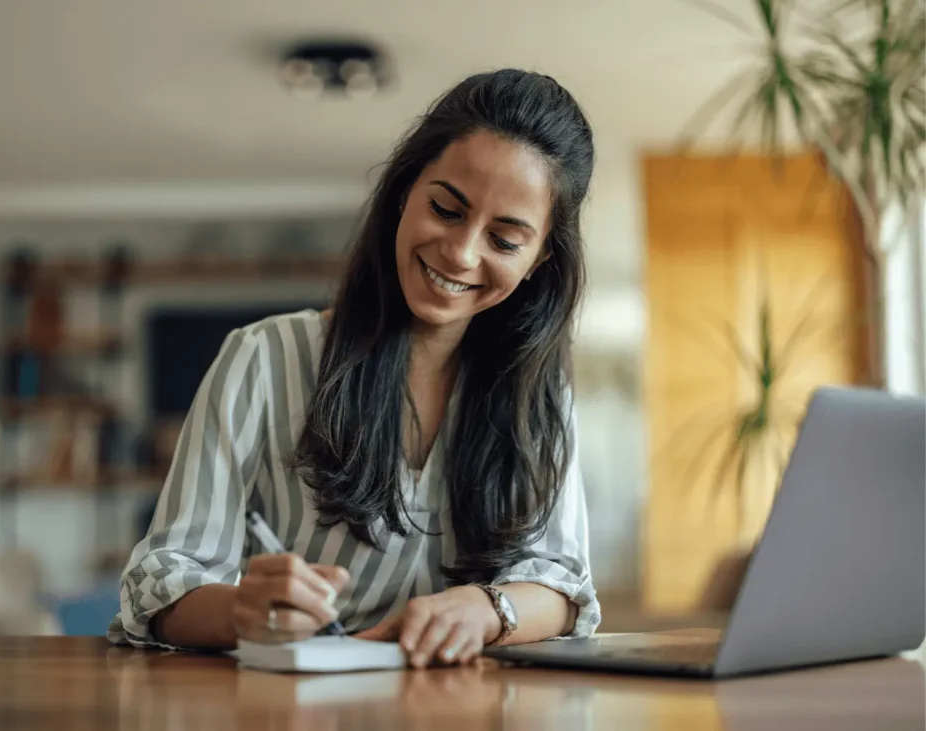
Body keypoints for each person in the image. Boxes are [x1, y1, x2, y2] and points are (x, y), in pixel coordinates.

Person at [109, 68, 601, 667]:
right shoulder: (262, 358)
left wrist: (487, 609)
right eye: (446, 209)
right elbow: (157, 581)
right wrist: (243, 611)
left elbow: (565, 587)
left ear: (539, 259)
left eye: (504, 240)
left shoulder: (539, 395)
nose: (462, 252)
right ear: (404, 192)